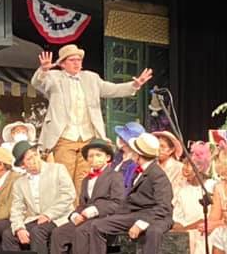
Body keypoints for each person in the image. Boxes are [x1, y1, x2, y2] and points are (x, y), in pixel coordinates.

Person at [31, 43, 153, 194]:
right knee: (65, 177)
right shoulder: (54, 77)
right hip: (64, 137)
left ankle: (80, 210)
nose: (77, 63)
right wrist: (43, 69)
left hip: (88, 136)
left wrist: (134, 85)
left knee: (84, 178)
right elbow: (38, 83)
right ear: (62, 64)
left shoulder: (91, 78)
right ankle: (67, 214)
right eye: (72, 60)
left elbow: (112, 89)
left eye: (79, 60)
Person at [66, 133, 173, 254]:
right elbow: (129, 202)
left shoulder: (157, 175)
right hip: (136, 213)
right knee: (97, 226)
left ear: (139, 154)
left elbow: (163, 207)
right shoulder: (139, 171)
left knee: (153, 231)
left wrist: (141, 223)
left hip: (156, 215)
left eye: (135, 151)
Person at [45, 138, 124, 254]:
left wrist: (93, 211)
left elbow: (117, 203)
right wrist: (75, 214)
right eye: (91, 156)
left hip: (103, 218)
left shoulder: (114, 176)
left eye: (98, 155)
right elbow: (82, 204)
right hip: (85, 217)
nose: (94, 159)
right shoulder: (87, 179)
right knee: (59, 233)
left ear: (107, 158)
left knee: (81, 232)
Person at [2, 141, 76, 254]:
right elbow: (16, 209)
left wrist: (49, 214)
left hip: (59, 216)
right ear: (22, 164)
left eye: (35, 155)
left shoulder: (57, 169)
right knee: (9, 234)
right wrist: (19, 228)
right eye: (28, 159)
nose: (34, 160)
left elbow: (69, 195)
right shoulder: (20, 183)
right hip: (35, 218)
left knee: (38, 232)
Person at [170, 142, 213, 254]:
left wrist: (191, 227)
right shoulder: (182, 190)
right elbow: (177, 215)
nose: (185, 168)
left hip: (204, 229)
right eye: (184, 164)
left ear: (200, 167)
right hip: (187, 227)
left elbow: (210, 215)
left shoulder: (211, 186)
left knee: (194, 237)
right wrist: (178, 225)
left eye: (189, 165)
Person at [112, 121, 145, 190]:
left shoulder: (137, 162)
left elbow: (128, 187)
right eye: (120, 137)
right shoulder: (117, 154)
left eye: (123, 138)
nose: (120, 139)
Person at [153, 130, 185, 197]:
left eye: (162, 146)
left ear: (171, 150)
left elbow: (177, 193)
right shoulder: (153, 165)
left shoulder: (179, 168)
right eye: (157, 145)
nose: (158, 149)